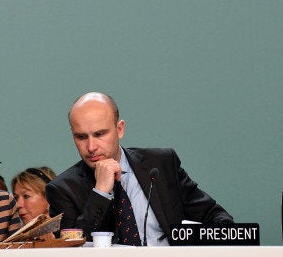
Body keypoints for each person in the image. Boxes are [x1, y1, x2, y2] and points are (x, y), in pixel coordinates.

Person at [46, 92, 234, 246]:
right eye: (81, 137)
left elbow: (213, 215)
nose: (91, 146)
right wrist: (101, 192)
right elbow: (74, 249)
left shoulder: (160, 164)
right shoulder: (62, 189)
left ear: (120, 129)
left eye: (100, 134)